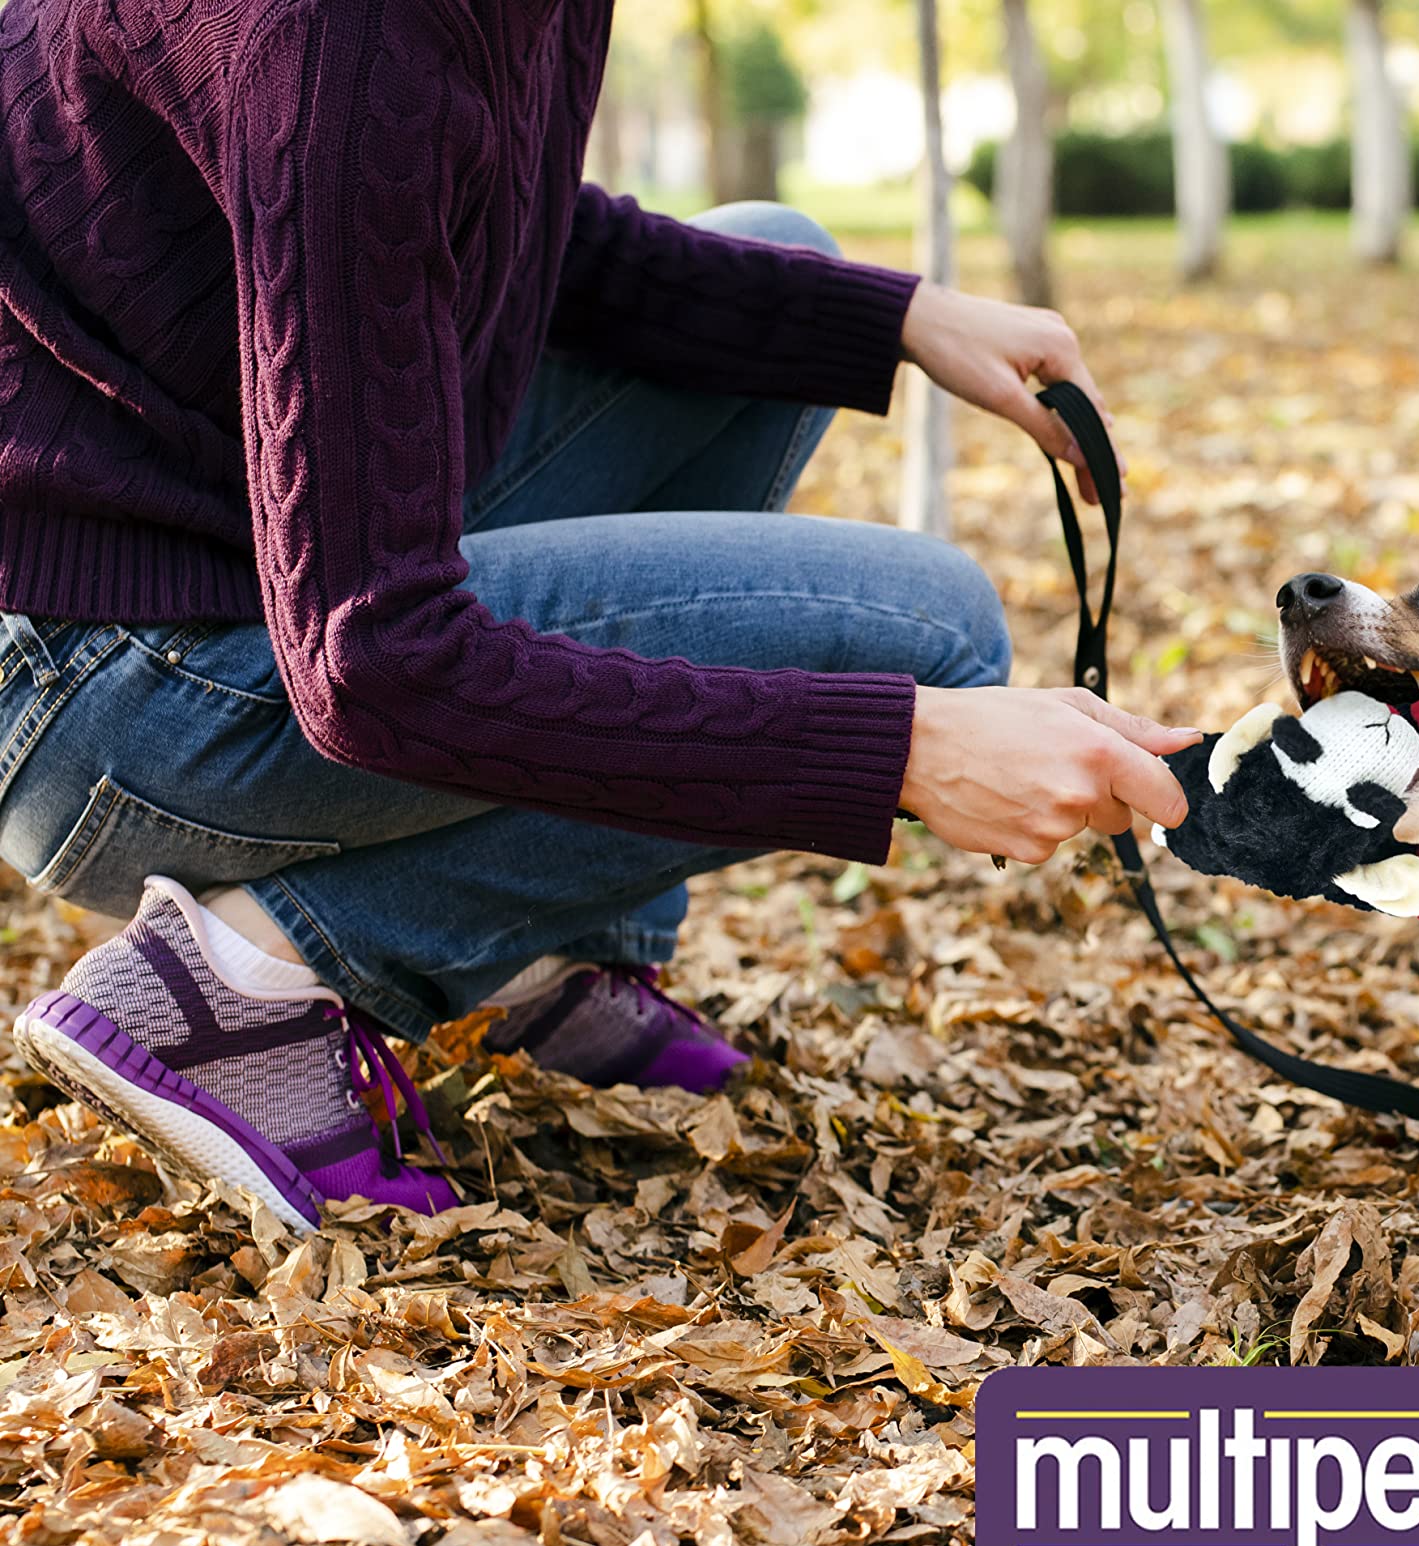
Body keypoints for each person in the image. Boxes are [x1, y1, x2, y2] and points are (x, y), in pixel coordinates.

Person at [0, 0, 1197, 1233]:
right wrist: (906, 745)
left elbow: (488, 216)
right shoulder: (339, 36)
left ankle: (548, 957)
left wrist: (898, 319)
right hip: (111, 685)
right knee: (927, 633)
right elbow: (377, 665)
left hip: (237, 553)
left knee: (781, 262)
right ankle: (234, 987)